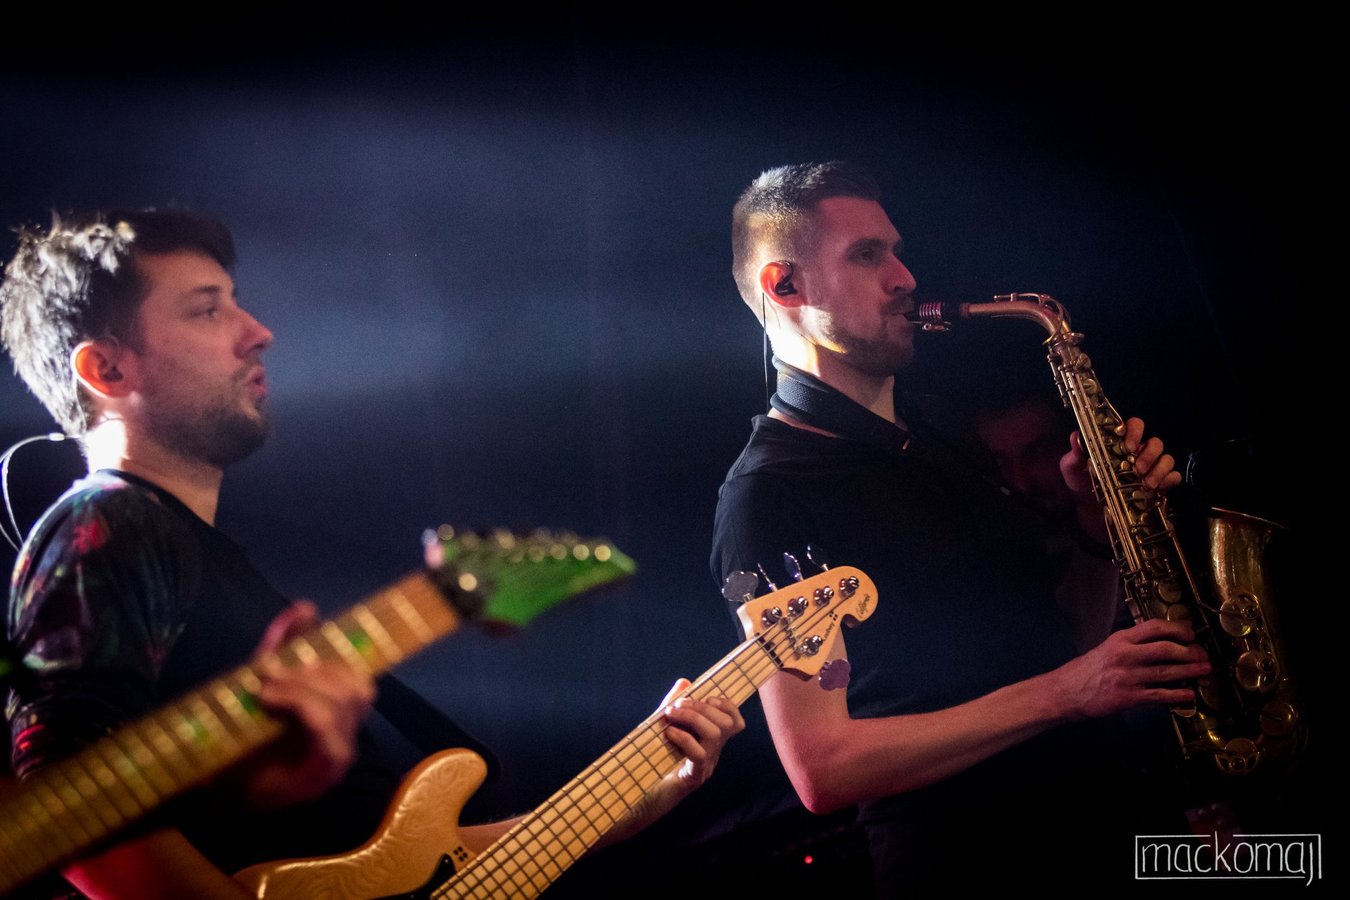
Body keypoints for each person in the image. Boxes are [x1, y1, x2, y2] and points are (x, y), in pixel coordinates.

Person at [2, 207, 743, 899]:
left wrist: (638, 796)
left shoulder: (207, 560)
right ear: (107, 371)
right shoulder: (110, 521)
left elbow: (410, 866)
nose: (257, 331)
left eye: (235, 302)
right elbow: (64, 792)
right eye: (206, 310)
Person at [709, 161, 1209, 894]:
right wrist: (1067, 692)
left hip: (1106, 824)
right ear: (785, 286)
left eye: (896, 250)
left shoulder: (939, 431)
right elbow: (822, 766)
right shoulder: (768, 496)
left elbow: (1068, 640)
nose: (906, 277)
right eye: (867, 255)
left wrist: (1097, 525)